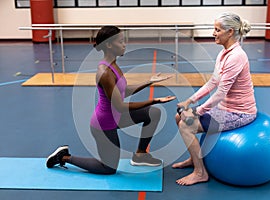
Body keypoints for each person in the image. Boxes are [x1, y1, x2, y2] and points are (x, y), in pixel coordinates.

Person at [46, 26, 176, 174]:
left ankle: (140, 155)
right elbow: (120, 106)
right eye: (120, 41)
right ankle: (64, 157)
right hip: (104, 124)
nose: (124, 44)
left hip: (117, 117)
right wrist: (154, 100)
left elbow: (122, 91)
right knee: (108, 168)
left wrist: (149, 81)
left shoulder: (113, 65)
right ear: (108, 44)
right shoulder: (105, 72)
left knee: (153, 114)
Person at [173, 12, 257, 185]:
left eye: (217, 30)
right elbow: (213, 82)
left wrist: (196, 111)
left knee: (185, 125)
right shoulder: (224, 53)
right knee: (178, 117)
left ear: (230, 32)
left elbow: (221, 93)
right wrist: (190, 101)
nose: (213, 33)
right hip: (226, 108)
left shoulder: (236, 56)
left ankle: (200, 172)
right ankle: (193, 159)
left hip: (240, 113)